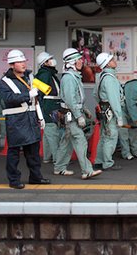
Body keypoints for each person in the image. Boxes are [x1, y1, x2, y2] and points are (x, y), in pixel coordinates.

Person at [0, 49, 50, 189]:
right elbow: (9, 99)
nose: (23, 64)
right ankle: (14, 180)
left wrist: (40, 116)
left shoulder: (30, 77)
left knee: (33, 152)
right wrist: (28, 94)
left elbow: (38, 98)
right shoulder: (4, 82)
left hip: (31, 119)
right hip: (16, 120)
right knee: (14, 152)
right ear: (12, 64)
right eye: (19, 62)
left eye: (24, 61)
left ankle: (36, 177)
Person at [53, 48, 102, 179]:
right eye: (79, 59)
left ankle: (59, 167)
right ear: (72, 62)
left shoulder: (73, 76)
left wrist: (84, 109)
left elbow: (76, 98)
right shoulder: (69, 78)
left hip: (71, 114)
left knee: (67, 142)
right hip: (72, 116)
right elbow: (70, 100)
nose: (82, 61)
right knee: (80, 141)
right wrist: (79, 116)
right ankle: (87, 170)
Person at [93, 52, 126, 171]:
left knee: (104, 136)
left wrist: (102, 104)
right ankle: (108, 163)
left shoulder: (101, 76)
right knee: (111, 136)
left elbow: (95, 94)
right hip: (110, 111)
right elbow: (114, 99)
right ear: (107, 64)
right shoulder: (110, 78)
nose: (114, 60)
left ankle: (99, 161)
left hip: (103, 110)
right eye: (111, 59)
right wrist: (119, 116)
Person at [34, 51, 62, 164]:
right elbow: (40, 94)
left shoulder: (47, 74)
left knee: (47, 133)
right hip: (48, 107)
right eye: (49, 59)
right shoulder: (45, 74)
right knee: (52, 132)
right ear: (44, 63)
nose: (52, 60)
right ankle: (57, 159)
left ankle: (47, 157)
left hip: (48, 106)